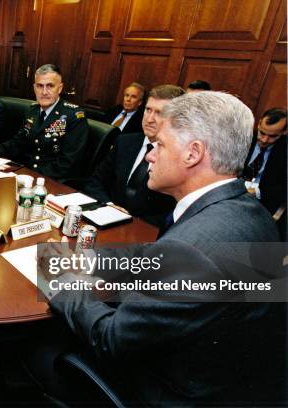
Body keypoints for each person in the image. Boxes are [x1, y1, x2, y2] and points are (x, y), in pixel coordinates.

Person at [36, 91, 283, 405]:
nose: (150, 154)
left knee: (40, 348)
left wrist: (63, 285)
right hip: (228, 376)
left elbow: (112, 339)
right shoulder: (250, 213)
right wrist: (84, 259)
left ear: (193, 154)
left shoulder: (195, 246)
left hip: (174, 392)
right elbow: (155, 259)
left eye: (160, 145)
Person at [82, 85, 183, 226]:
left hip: (145, 232)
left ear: (177, 119)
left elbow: (175, 212)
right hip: (106, 220)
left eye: (160, 113)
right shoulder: (125, 141)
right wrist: (109, 205)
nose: (150, 119)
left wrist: (131, 222)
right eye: (148, 110)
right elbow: (95, 182)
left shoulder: (180, 156)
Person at [0, 64, 89, 183]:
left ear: (59, 88)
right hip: (26, 176)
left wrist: (30, 176)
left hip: (53, 181)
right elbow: (19, 142)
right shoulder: (32, 111)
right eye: (39, 86)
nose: (44, 92)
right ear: (34, 88)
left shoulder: (73, 116)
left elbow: (68, 163)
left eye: (50, 86)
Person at [242, 107, 286, 238]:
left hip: (263, 205)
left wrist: (258, 192)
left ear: (285, 132)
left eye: (273, 136)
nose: (265, 140)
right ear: (259, 122)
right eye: (262, 133)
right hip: (232, 195)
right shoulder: (244, 138)